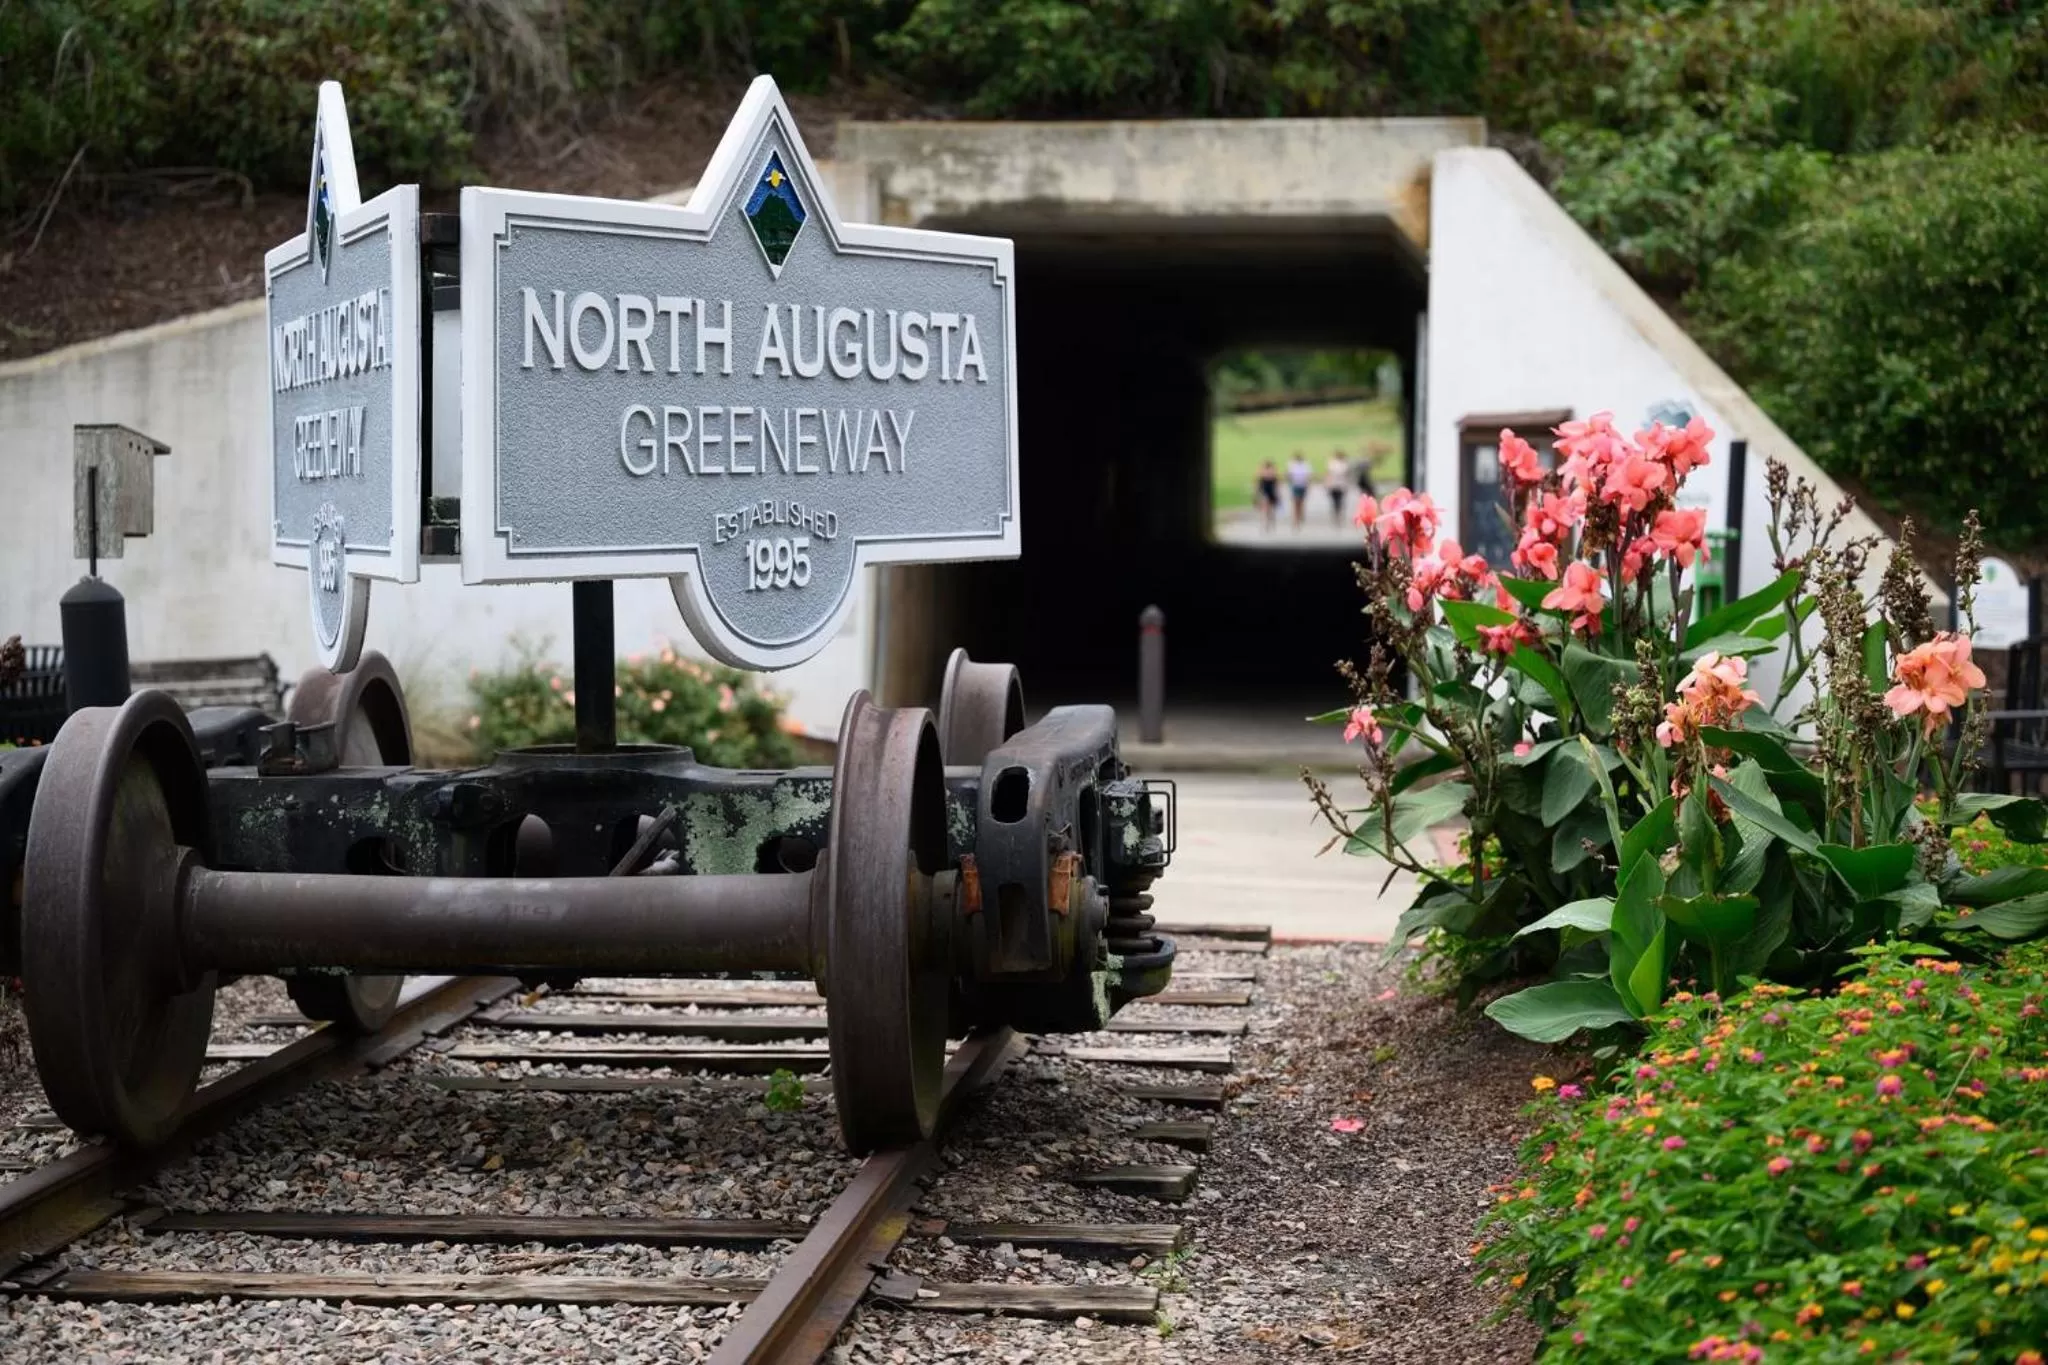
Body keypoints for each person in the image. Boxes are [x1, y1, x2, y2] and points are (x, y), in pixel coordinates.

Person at [1286, 451, 1313, 530]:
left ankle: (1300, 515)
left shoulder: (1306, 465)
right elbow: (1289, 475)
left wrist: (1308, 485)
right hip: (1295, 486)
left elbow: (1308, 476)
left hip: (1303, 486)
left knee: (1301, 502)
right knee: (1295, 503)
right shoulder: (1292, 465)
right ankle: (1295, 520)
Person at [1324, 450, 1349, 526]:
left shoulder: (1342, 464)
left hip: (1340, 485)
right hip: (1335, 485)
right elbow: (1329, 474)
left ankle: (1338, 514)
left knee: (1339, 501)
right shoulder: (1334, 464)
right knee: (1336, 501)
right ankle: (1337, 514)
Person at [1255, 459, 1281, 531]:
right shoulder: (1261, 472)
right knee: (1264, 507)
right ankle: (1264, 523)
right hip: (1264, 491)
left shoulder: (1273, 472)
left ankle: (1270, 520)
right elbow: (1258, 483)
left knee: (1270, 508)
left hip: (1271, 491)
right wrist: (1256, 493)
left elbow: (1277, 483)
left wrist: (1278, 494)